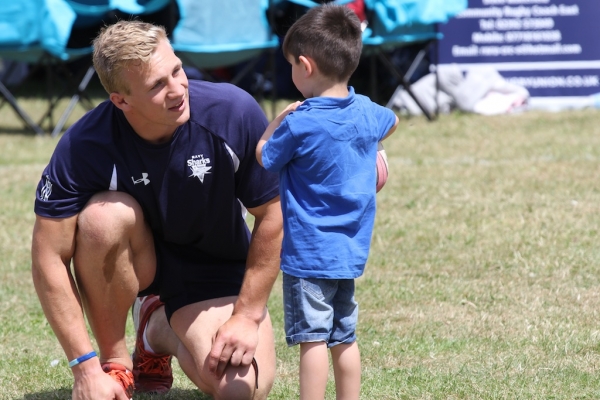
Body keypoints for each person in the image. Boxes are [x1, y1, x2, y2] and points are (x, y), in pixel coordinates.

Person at [31, 20, 282, 400]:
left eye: (177, 70)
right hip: (137, 266)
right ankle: (116, 366)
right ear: (121, 100)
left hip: (212, 272)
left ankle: (156, 328)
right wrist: (83, 367)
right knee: (102, 218)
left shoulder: (232, 111)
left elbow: (275, 214)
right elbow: (48, 255)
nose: (178, 89)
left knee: (239, 390)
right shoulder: (85, 144)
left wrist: (247, 316)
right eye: (156, 86)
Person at [256, 4, 399, 400]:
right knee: (344, 336)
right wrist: (374, 152)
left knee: (312, 340)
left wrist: (276, 121)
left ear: (305, 66)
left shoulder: (300, 123)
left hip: (308, 255)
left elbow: (265, 156)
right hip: (349, 252)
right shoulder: (369, 111)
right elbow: (392, 121)